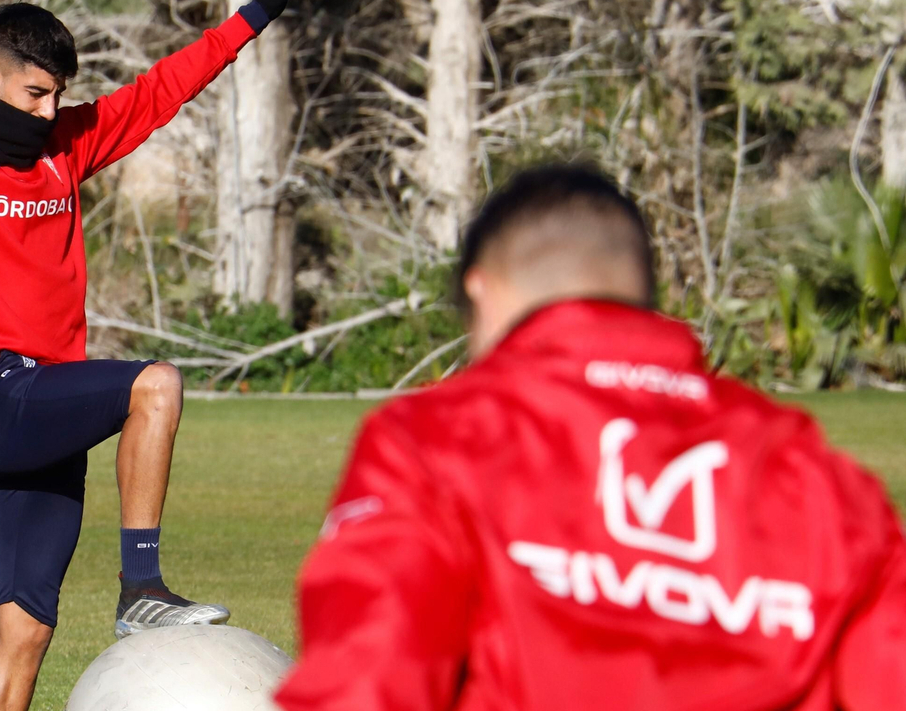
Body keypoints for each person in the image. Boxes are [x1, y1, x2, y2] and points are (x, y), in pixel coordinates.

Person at [0, 0, 321, 710]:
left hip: (44, 412)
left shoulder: (66, 147)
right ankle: (141, 586)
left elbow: (164, 90)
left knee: (23, 634)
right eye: (35, 93)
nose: (51, 111)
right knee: (155, 384)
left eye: (59, 94)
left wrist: (255, 13)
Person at [273, 164, 906, 711]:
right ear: (644, 294)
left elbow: (366, 681)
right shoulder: (824, 481)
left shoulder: (434, 442)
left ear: (480, 292)